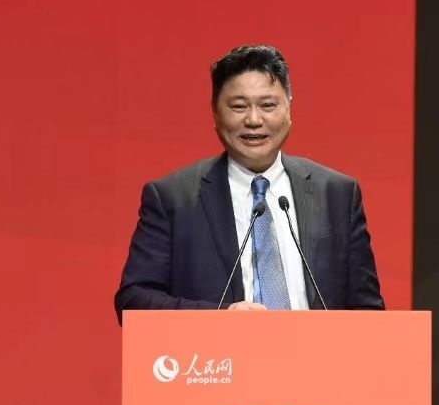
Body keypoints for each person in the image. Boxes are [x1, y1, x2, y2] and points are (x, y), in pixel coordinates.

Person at [114, 45, 384, 324]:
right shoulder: (174, 198)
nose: (254, 120)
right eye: (239, 107)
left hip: (318, 351)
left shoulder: (337, 194)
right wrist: (222, 318)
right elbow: (133, 301)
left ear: (288, 108)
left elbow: (368, 311)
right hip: (217, 351)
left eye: (268, 106)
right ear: (215, 113)